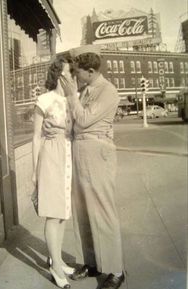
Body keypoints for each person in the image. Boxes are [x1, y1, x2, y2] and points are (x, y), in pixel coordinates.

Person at [56, 46, 125, 289]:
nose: (75, 76)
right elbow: (74, 121)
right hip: (79, 150)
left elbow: (84, 120)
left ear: (92, 71)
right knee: (82, 211)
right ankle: (92, 262)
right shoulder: (83, 90)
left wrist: (72, 97)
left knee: (103, 210)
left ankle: (116, 270)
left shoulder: (108, 91)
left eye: (78, 72)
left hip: (97, 152)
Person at [32, 57, 75, 289]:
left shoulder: (71, 100)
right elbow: (36, 136)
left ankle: (56, 258)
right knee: (52, 212)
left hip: (68, 155)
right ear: (60, 75)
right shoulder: (45, 99)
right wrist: (34, 172)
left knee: (63, 211)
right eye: (69, 72)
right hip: (50, 156)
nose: (73, 76)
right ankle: (56, 268)